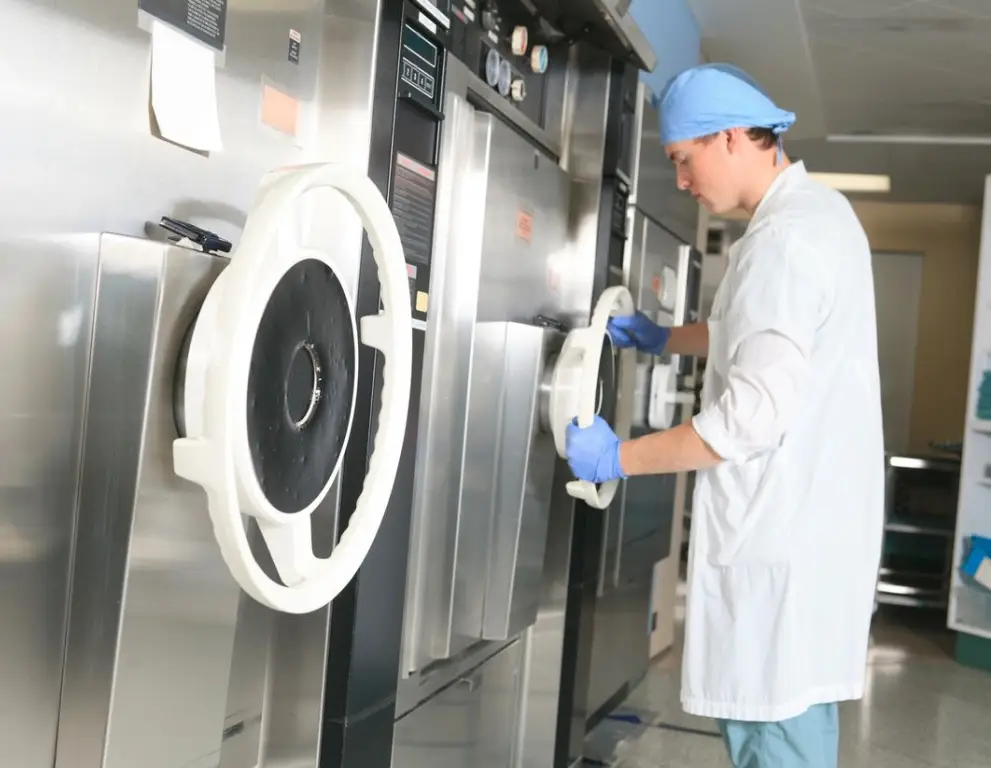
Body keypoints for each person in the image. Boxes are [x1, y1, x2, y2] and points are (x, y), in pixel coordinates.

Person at [564, 63, 885, 768]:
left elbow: (747, 419)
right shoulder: (817, 215)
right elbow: (760, 331)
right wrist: (663, 339)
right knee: (792, 731)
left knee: (774, 740)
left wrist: (617, 457)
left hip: (781, 540)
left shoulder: (783, 243)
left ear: (734, 138)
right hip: (809, 538)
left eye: (683, 160)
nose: (681, 181)